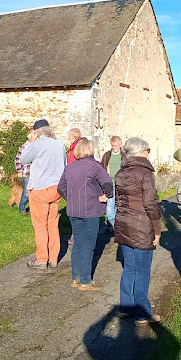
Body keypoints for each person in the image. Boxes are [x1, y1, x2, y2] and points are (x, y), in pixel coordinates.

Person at [114, 137, 162, 326]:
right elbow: (150, 203)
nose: (149, 153)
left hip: (124, 222)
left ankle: (125, 307)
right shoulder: (145, 173)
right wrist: (157, 228)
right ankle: (142, 313)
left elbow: (118, 201)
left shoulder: (120, 172)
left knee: (129, 267)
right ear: (142, 151)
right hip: (142, 225)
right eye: (148, 149)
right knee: (142, 270)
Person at [58, 138, 113, 290]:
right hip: (91, 209)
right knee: (88, 245)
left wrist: (70, 198)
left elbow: (60, 187)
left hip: (74, 210)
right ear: (90, 150)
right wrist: (106, 196)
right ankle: (85, 281)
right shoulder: (95, 166)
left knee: (78, 243)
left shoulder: (69, 167)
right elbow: (108, 184)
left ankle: (75, 277)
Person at [20, 120, 67, 269]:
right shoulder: (59, 144)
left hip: (40, 188)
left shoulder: (38, 144)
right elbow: (64, 164)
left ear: (37, 131)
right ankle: (53, 257)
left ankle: (42, 259)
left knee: (40, 225)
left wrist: (31, 142)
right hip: (56, 188)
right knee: (53, 224)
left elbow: (23, 159)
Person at [100, 136, 124, 229]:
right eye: (112, 145)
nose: (114, 147)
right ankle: (111, 223)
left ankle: (118, 222)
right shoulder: (107, 155)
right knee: (110, 202)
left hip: (121, 182)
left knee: (119, 202)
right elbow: (102, 167)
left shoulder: (124, 156)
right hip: (110, 181)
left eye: (116, 145)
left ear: (120, 144)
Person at [14, 130, 36, 215]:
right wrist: (19, 171)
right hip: (27, 172)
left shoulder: (38, 146)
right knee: (26, 192)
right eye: (35, 136)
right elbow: (17, 159)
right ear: (30, 137)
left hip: (36, 173)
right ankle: (22, 208)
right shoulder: (24, 147)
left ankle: (33, 209)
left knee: (35, 192)